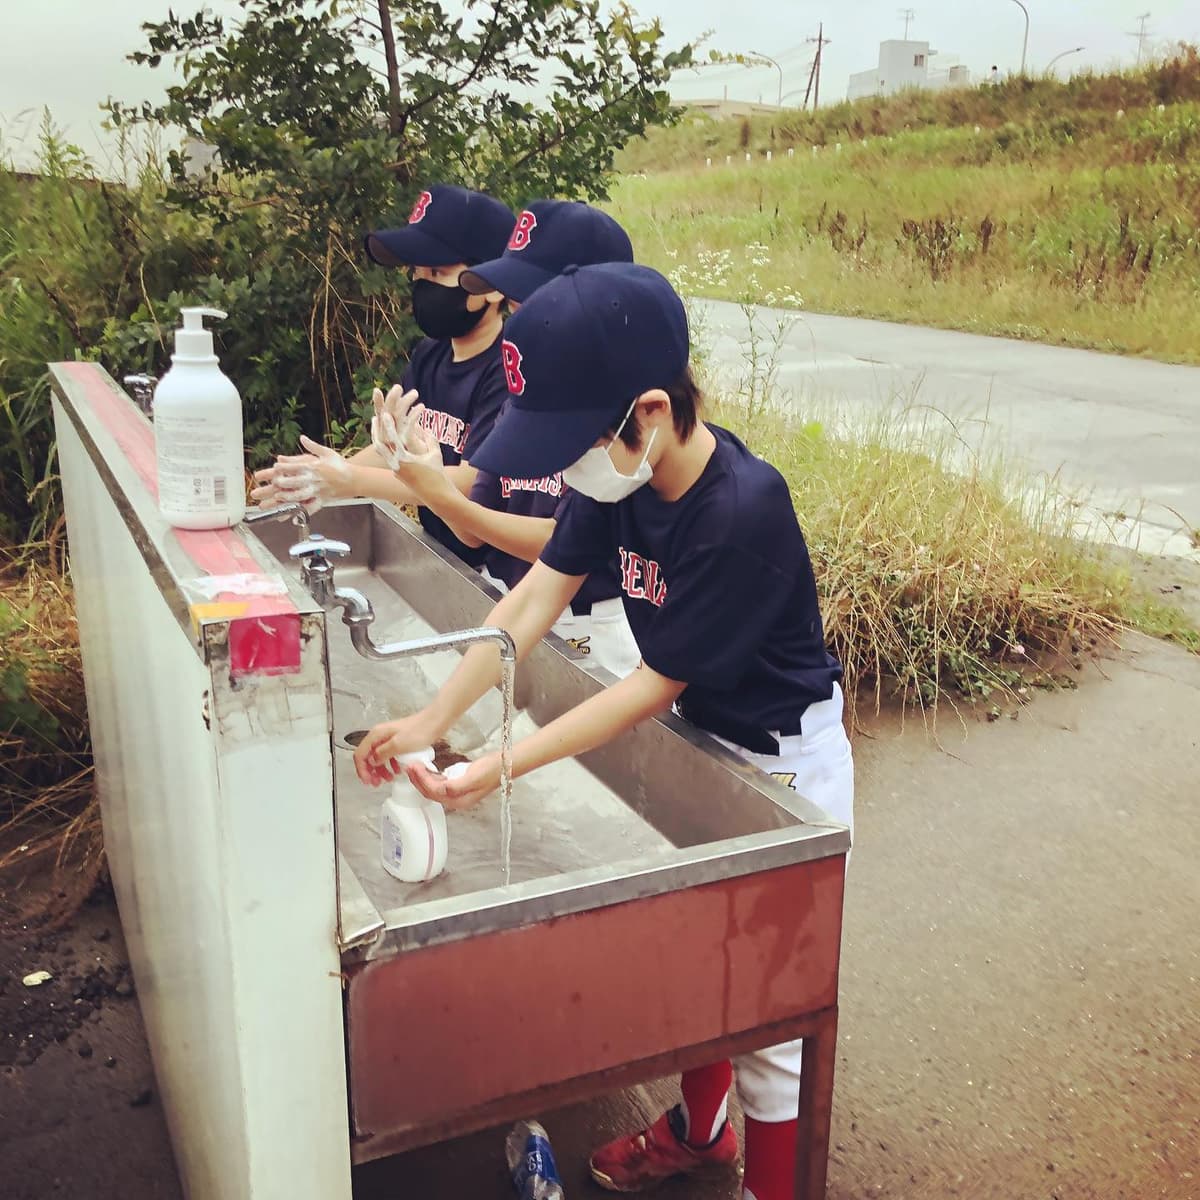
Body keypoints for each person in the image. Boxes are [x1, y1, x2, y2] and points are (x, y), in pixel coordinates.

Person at [354, 262, 854, 1200]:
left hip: (785, 765)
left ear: (651, 412)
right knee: (701, 967)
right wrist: (431, 719)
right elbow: (532, 602)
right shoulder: (615, 482)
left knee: (772, 1029)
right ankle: (702, 1137)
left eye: (575, 440)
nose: (563, 465)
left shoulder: (740, 511)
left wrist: (495, 767)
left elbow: (646, 689)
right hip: (704, 734)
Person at [382, 200, 640, 676]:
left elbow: (562, 545)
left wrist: (436, 491)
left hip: (592, 626)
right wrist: (428, 478)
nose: (514, 315)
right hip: (513, 598)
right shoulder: (523, 399)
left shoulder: (624, 420)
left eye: (526, 299)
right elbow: (475, 528)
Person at [252, 183, 514, 567]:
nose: (422, 285)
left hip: (495, 575)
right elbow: (394, 445)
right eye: (416, 272)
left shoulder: (508, 371)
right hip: (441, 557)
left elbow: (474, 484)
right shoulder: (431, 357)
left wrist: (353, 481)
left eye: (437, 271)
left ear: (490, 287)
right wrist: (323, 477)